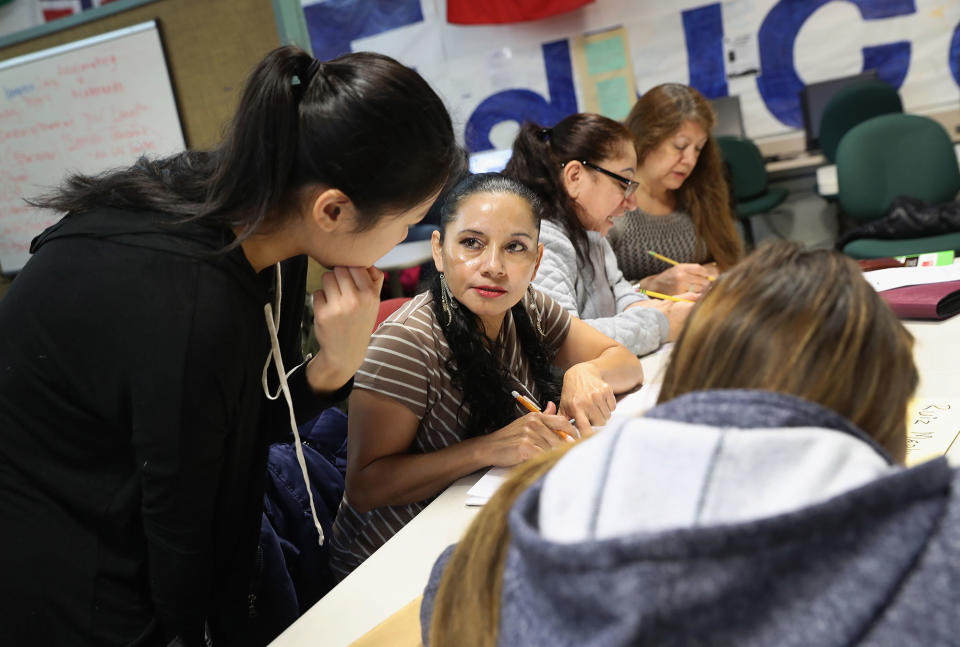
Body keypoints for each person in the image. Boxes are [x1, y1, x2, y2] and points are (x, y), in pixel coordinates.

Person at [0, 46, 462, 646]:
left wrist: (334, 365)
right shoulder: (189, 298)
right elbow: (181, 529)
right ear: (333, 209)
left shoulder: (267, 226)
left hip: (129, 506)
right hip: (67, 561)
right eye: (410, 222)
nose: (409, 238)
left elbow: (238, 418)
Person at [420, 241, 960, 647]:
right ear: (880, 407)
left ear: (693, 370)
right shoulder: (936, 538)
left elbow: (447, 592)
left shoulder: (505, 542)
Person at [329, 173, 644, 578]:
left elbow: (624, 361)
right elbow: (366, 485)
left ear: (536, 261)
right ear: (439, 252)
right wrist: (486, 449)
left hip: (483, 534)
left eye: (515, 247)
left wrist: (586, 370)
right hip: (388, 566)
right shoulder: (406, 343)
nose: (493, 267)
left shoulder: (528, 305)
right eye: (472, 243)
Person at [503, 113, 694, 357]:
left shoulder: (593, 232)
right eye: (624, 182)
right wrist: (663, 324)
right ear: (574, 177)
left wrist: (667, 309)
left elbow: (619, 291)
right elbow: (563, 338)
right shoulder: (543, 241)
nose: (632, 203)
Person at [609, 83, 742, 292]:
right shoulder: (610, 208)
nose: (690, 160)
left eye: (698, 148)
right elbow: (590, 301)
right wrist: (648, 287)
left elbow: (730, 258)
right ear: (646, 138)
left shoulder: (699, 192)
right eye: (679, 146)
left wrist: (717, 271)